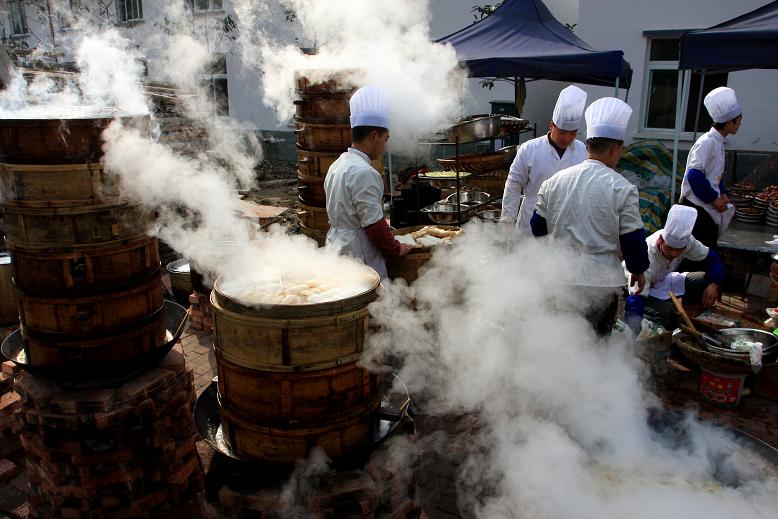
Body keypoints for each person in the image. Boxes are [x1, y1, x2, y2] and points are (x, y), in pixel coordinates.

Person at [531, 97, 649, 335]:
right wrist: (638, 269)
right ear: (615, 149)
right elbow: (633, 239)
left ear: (587, 146)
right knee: (596, 345)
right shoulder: (622, 188)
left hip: (560, 277)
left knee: (561, 340)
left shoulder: (554, 182)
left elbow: (536, 227)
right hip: (600, 283)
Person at [324, 85, 414, 279]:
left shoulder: (337, 165)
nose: (386, 145)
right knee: (370, 302)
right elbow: (373, 224)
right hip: (358, 253)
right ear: (374, 136)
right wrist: (396, 248)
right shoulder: (365, 172)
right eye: (385, 138)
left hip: (336, 246)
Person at [500, 85, 587, 235]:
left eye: (573, 133)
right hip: (531, 223)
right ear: (551, 126)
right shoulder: (530, 149)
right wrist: (508, 220)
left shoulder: (582, 151)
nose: (567, 138)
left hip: (568, 225)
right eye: (563, 132)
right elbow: (514, 183)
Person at [624, 204, 725, 331]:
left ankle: (693, 312)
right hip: (638, 288)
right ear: (661, 240)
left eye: (679, 250)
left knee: (705, 281)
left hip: (663, 280)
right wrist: (631, 335)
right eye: (669, 248)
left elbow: (713, 258)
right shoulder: (648, 255)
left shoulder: (689, 244)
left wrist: (714, 284)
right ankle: (667, 314)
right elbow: (636, 298)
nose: (673, 254)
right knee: (666, 313)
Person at [679, 86, 741, 250]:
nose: (740, 123)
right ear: (729, 122)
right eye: (739, 120)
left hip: (705, 207)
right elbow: (694, 176)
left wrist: (724, 193)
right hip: (697, 209)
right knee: (699, 255)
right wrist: (714, 199)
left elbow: (714, 175)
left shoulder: (718, 142)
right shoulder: (707, 142)